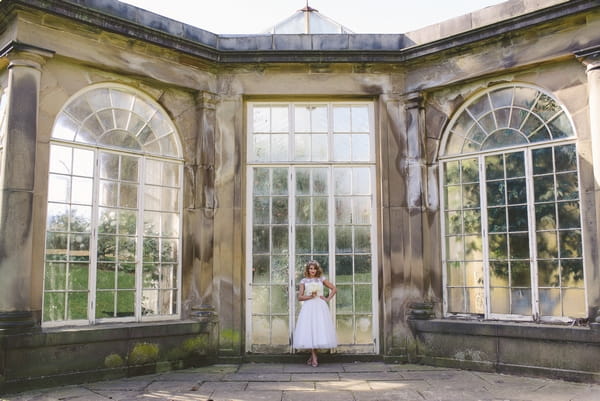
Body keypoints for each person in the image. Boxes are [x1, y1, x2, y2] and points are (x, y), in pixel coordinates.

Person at [292, 260, 337, 367]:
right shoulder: (303, 281)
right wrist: (310, 296)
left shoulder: (322, 279)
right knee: (310, 330)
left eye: (314, 268)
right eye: (310, 268)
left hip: (320, 307)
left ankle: (312, 357)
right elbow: (300, 297)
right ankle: (314, 357)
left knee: (318, 330)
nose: (312, 270)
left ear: (317, 269)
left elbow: (334, 289)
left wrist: (327, 299)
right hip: (308, 307)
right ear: (308, 270)